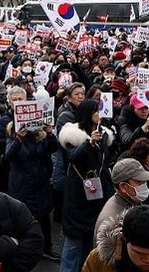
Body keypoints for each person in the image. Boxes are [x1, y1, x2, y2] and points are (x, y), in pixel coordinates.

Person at [58, 98, 116, 272]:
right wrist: (89, 143)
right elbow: (72, 157)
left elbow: (107, 160)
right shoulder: (73, 135)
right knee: (73, 245)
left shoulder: (104, 134)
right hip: (78, 194)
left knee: (90, 243)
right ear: (87, 114)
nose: (100, 114)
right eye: (96, 111)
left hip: (99, 192)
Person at [5, 118, 59, 261]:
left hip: (41, 182)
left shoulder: (38, 135)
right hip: (23, 185)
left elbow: (53, 148)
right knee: (25, 218)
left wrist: (50, 133)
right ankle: (25, 250)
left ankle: (47, 247)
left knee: (44, 216)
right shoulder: (13, 134)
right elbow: (8, 156)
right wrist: (18, 140)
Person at [93, 158, 149, 241]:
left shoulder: (132, 202)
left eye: (144, 181)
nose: (144, 185)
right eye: (138, 182)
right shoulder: (113, 222)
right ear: (123, 187)